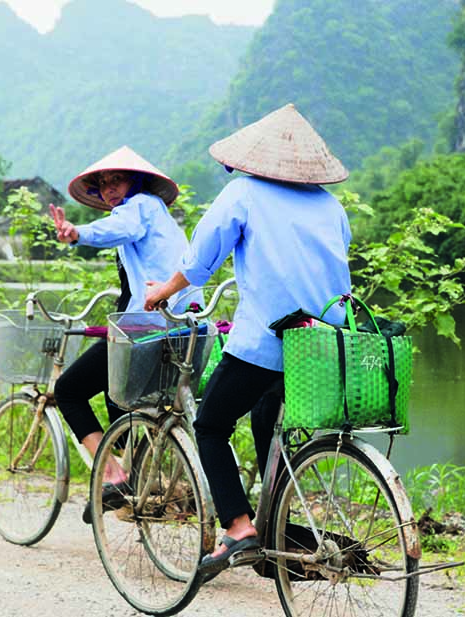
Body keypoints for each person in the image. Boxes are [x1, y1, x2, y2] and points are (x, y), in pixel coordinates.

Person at [143, 104, 353, 579]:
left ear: (249, 160)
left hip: (270, 339)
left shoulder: (243, 193)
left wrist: (163, 291)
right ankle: (276, 526)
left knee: (212, 423)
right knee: (264, 416)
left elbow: (200, 260)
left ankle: (239, 527)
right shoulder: (330, 204)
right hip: (323, 344)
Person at [51, 145, 196, 522]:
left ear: (137, 182)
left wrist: (75, 232)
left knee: (68, 390)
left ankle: (116, 475)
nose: (110, 189)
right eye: (102, 184)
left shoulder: (140, 208)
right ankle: (134, 474)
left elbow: (119, 227)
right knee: (119, 397)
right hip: (180, 323)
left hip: (150, 324)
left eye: (117, 180)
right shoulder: (160, 216)